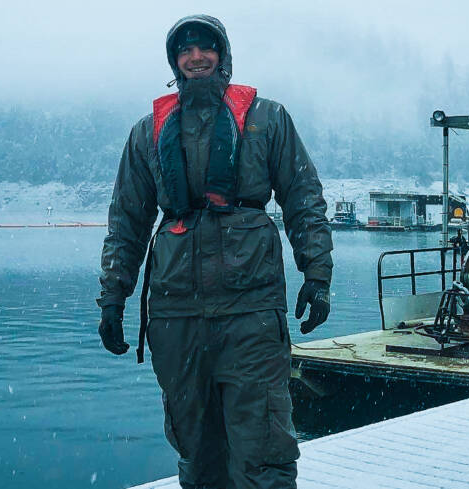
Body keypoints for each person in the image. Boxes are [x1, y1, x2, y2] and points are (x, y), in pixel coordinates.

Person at [97, 14, 333, 489]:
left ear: (222, 55)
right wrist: (113, 298)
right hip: (175, 315)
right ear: (175, 62)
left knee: (263, 448)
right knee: (196, 449)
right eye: (185, 51)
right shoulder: (147, 133)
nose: (196, 57)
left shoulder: (268, 118)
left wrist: (318, 275)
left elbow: (303, 199)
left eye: (205, 47)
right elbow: (127, 221)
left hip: (251, 313)